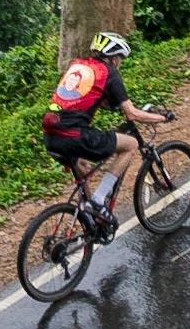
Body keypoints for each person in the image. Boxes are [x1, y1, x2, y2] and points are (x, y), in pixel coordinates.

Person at [41, 31, 174, 225]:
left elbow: (88, 97)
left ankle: (90, 223)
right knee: (131, 144)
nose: (119, 62)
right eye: (119, 58)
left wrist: (113, 105)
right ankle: (97, 200)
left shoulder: (78, 66)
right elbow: (132, 114)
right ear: (112, 57)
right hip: (74, 135)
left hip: (51, 135)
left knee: (83, 166)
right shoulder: (109, 73)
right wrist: (162, 117)